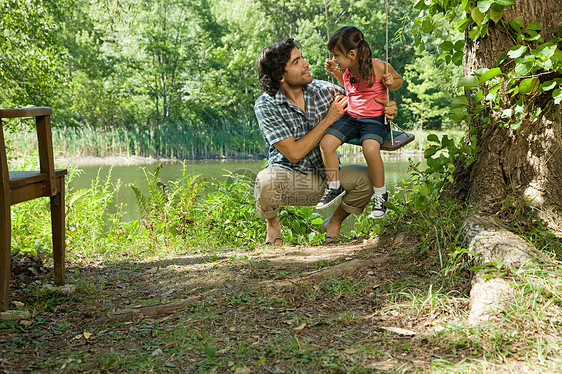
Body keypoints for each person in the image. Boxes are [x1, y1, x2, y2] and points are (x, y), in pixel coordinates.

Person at [254, 38, 398, 245]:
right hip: (291, 182)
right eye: (297, 62)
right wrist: (329, 119)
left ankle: (334, 223)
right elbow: (294, 153)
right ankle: (273, 227)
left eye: (302, 58)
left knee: (369, 178)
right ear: (280, 75)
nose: (306, 64)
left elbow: (366, 102)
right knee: (265, 179)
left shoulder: (325, 90)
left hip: (329, 179)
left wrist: (389, 108)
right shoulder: (266, 105)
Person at [316, 26, 403, 219]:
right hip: (352, 117)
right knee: (326, 144)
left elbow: (399, 81)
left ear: (352, 54)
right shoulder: (347, 70)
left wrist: (391, 81)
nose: (335, 59)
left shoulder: (378, 66)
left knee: (370, 150)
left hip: (374, 119)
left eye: (337, 56)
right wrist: (335, 71)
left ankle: (381, 195)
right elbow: (347, 84)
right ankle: (334, 186)